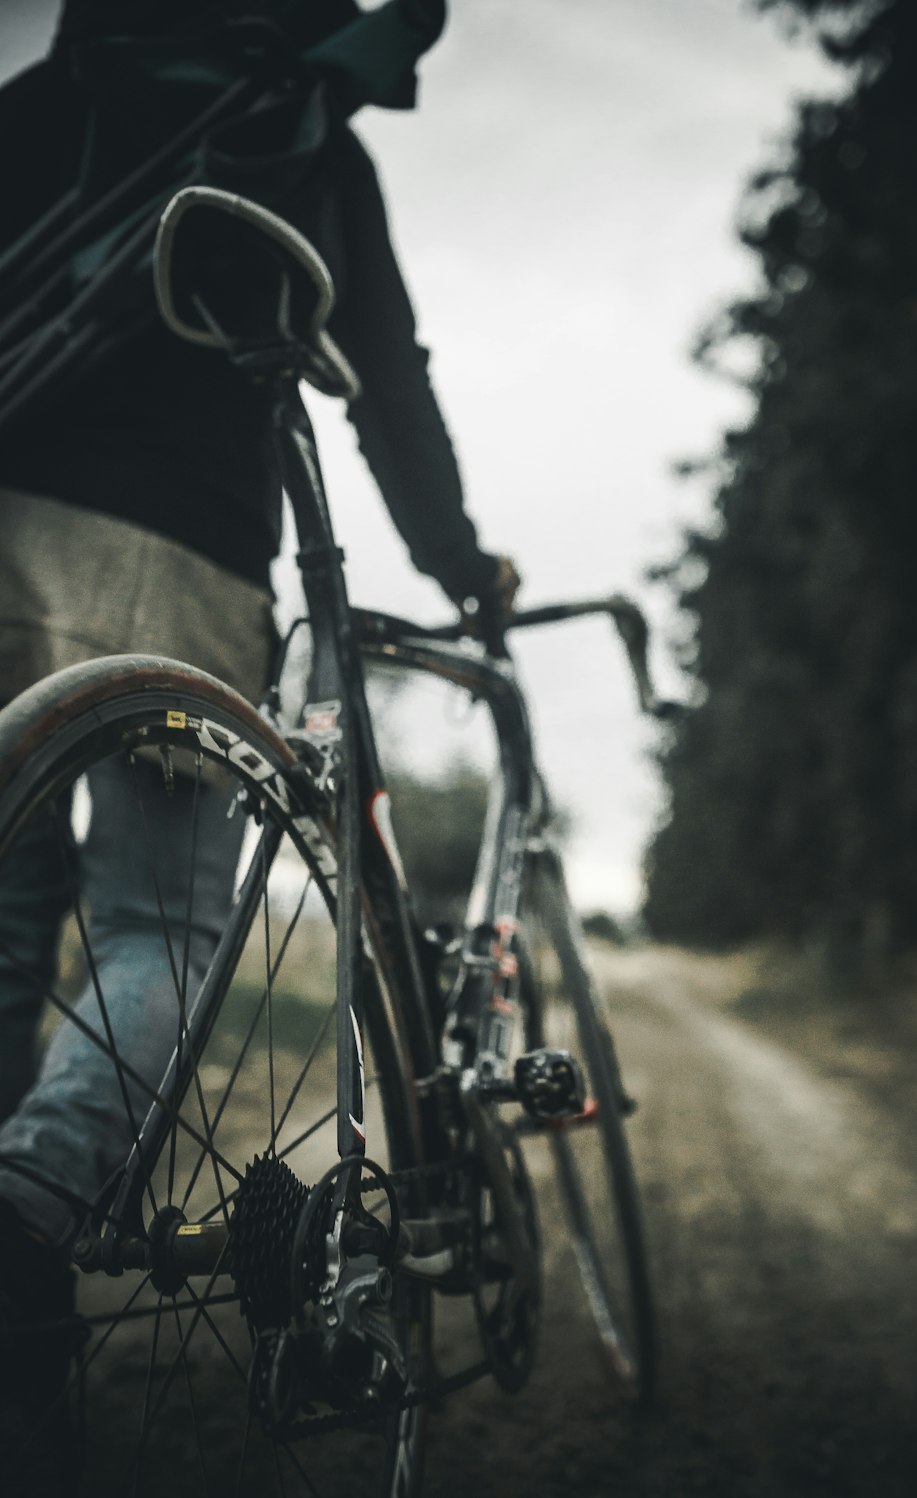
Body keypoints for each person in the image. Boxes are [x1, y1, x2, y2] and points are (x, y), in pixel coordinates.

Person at [0, 1, 519, 1484]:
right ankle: (28, 1212)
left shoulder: (53, 92)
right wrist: (462, 565)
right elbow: (390, 382)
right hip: (177, 547)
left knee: (6, 920)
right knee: (161, 923)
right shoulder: (298, 118)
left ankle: (20, 1370)